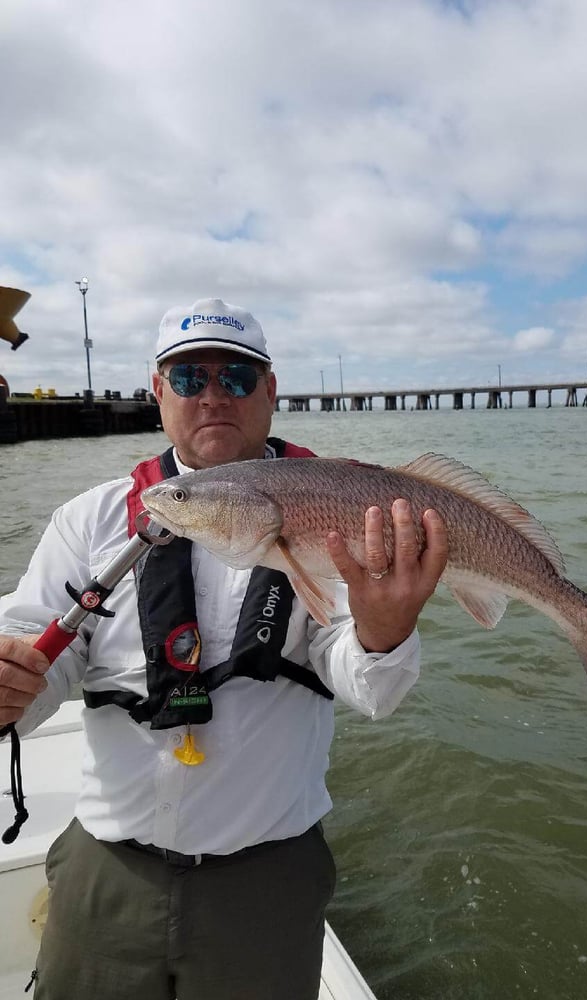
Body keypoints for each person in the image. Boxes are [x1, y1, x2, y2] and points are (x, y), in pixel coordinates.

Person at [0, 296, 448, 1000]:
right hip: (107, 862)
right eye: (188, 378)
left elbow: (372, 692)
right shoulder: (89, 519)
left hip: (266, 875)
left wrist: (384, 631)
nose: (213, 395)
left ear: (270, 392)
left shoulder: (336, 512)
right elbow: (36, 668)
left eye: (237, 379)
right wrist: (13, 687)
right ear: (157, 391)